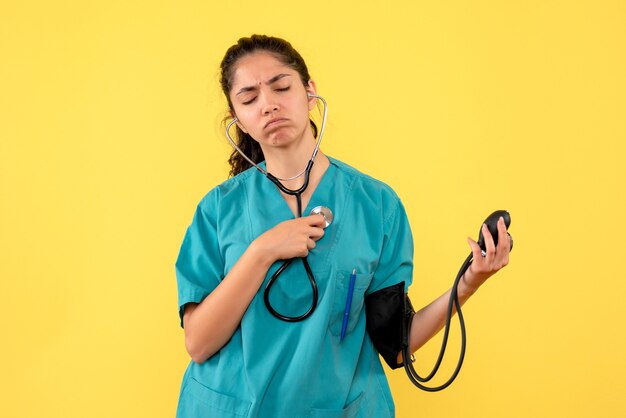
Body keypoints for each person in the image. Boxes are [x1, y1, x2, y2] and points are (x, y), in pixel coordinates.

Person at [175, 34, 511, 418]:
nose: (268, 105)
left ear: (309, 92)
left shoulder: (376, 205)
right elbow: (198, 343)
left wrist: (469, 283)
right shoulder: (219, 209)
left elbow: (395, 344)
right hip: (235, 408)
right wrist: (262, 251)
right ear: (239, 121)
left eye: (281, 87)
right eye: (250, 99)